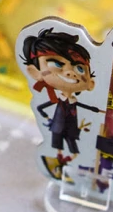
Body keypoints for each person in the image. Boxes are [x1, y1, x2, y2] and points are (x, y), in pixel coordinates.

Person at [20, 27, 101, 176]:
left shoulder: (73, 100)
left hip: (72, 130)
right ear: (35, 72)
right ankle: (61, 164)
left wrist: (98, 111)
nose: (70, 72)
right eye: (57, 64)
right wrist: (48, 119)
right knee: (57, 147)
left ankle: (69, 163)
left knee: (74, 149)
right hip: (57, 128)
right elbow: (41, 108)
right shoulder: (55, 99)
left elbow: (86, 107)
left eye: (80, 69)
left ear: (91, 83)